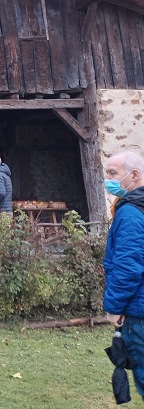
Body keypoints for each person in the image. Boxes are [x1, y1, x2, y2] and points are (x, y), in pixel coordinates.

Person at [103, 151, 144, 401]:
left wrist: (114, 307)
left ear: (135, 175)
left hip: (138, 313)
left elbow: (128, 267)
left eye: (113, 173)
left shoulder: (131, 213)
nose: (107, 179)